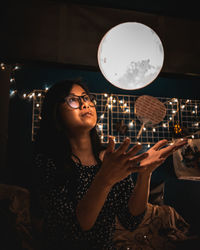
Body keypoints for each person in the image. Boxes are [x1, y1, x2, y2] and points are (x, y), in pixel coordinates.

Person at [31, 79, 187, 250]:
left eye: (85, 97)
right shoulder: (48, 162)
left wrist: (145, 174)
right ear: (56, 112)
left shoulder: (110, 158)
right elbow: (73, 231)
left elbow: (131, 219)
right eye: (73, 100)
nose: (85, 104)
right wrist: (104, 180)